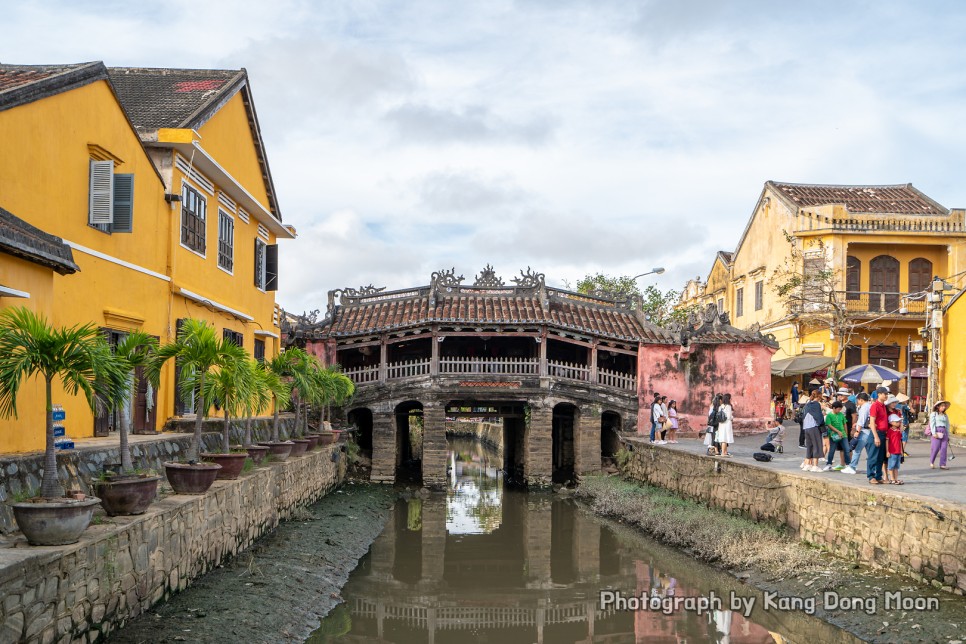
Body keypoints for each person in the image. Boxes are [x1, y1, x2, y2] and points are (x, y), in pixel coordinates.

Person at [867, 387, 890, 485]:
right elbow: (872, 422)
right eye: (884, 394)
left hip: (883, 433)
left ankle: (878, 476)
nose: (886, 395)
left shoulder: (884, 406)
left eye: (886, 394)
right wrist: (876, 436)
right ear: (879, 394)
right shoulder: (875, 406)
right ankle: (871, 476)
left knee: (881, 457)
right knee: (873, 456)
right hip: (876, 433)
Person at [844, 392, 870, 475]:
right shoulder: (870, 405)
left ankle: (852, 467)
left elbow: (862, 420)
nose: (857, 402)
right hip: (870, 432)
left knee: (857, 450)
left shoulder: (864, 408)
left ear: (861, 400)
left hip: (864, 432)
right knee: (870, 452)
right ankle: (874, 468)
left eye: (858, 400)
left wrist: (857, 431)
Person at [800, 389, 825, 472]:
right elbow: (819, 416)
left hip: (806, 427)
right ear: (818, 396)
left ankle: (807, 465)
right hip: (814, 427)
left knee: (809, 446)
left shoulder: (807, 404)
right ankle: (815, 466)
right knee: (816, 446)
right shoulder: (816, 404)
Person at [823, 400, 851, 471]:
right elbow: (829, 425)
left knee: (847, 449)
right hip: (833, 435)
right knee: (832, 450)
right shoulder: (829, 415)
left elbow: (844, 423)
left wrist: (846, 433)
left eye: (840, 409)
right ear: (834, 408)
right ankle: (829, 464)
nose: (839, 410)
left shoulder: (841, 414)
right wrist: (838, 431)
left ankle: (848, 464)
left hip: (843, 435)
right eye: (838, 409)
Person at [885, 396, 904, 484]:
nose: (894, 404)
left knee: (896, 465)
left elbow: (900, 440)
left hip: (897, 448)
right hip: (891, 448)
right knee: (890, 464)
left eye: (895, 402)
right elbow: (887, 440)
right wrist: (887, 450)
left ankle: (895, 479)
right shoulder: (886, 411)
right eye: (892, 402)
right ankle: (889, 478)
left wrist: (901, 450)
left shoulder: (897, 411)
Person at [929, 400, 952, 469]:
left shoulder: (945, 415)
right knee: (935, 448)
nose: (943, 407)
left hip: (944, 432)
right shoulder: (934, 414)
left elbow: (947, 425)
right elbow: (932, 424)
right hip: (937, 431)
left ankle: (942, 464)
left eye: (944, 406)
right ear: (938, 406)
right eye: (942, 406)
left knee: (944, 448)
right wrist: (934, 433)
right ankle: (932, 462)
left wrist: (948, 435)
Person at [895, 393, 912, 457]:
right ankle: (901, 451)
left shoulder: (895, 405)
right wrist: (910, 405)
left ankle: (897, 450)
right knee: (904, 438)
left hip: (897, 422)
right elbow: (912, 411)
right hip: (904, 422)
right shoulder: (905, 406)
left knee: (898, 437)